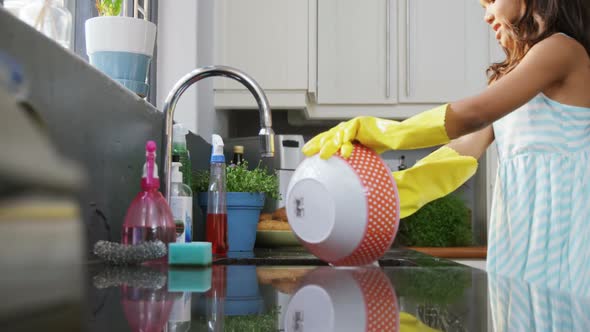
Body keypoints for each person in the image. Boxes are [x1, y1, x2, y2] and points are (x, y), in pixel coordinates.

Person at [302, 0, 590, 289]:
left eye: (491, 1)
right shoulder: (510, 78)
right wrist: (380, 195)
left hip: (567, 235)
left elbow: (472, 116)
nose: (487, 16)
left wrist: (385, 134)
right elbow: (463, 151)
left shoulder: (562, 50)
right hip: (519, 237)